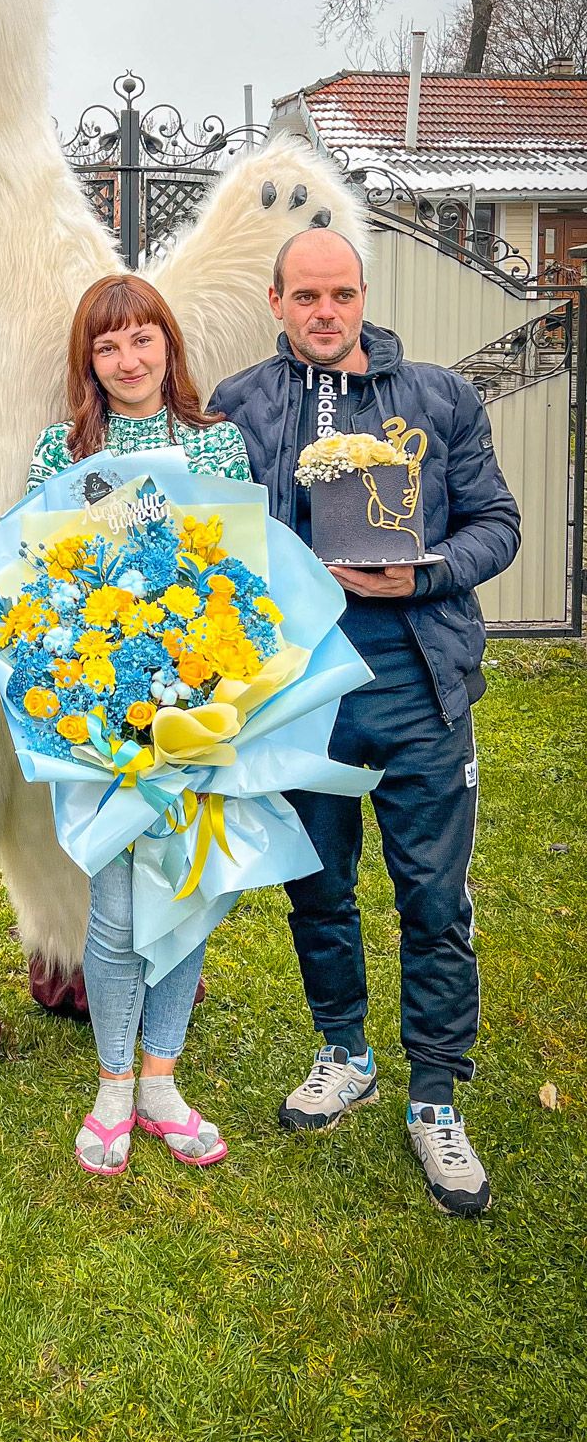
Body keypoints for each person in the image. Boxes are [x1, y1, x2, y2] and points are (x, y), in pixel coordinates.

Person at [211, 229, 520, 1217]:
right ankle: (343, 1050)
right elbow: (208, 539)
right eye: (307, 295)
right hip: (305, 698)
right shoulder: (239, 407)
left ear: (363, 295)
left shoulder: (438, 398)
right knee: (320, 890)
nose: (326, 311)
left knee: (432, 900)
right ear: (275, 302)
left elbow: (497, 523)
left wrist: (420, 572)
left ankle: (435, 1097)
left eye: (341, 293)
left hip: (420, 686)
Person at [27, 275, 251, 1176]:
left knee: (188, 895)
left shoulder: (217, 445)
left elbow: (244, 568)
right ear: (89, 361)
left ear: (169, 343)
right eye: (106, 346)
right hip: (99, 710)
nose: (127, 360)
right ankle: (115, 1084)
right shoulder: (60, 449)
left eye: (141, 339)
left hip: (201, 706)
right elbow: (45, 574)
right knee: (117, 913)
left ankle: (164, 1080)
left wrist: (211, 683)